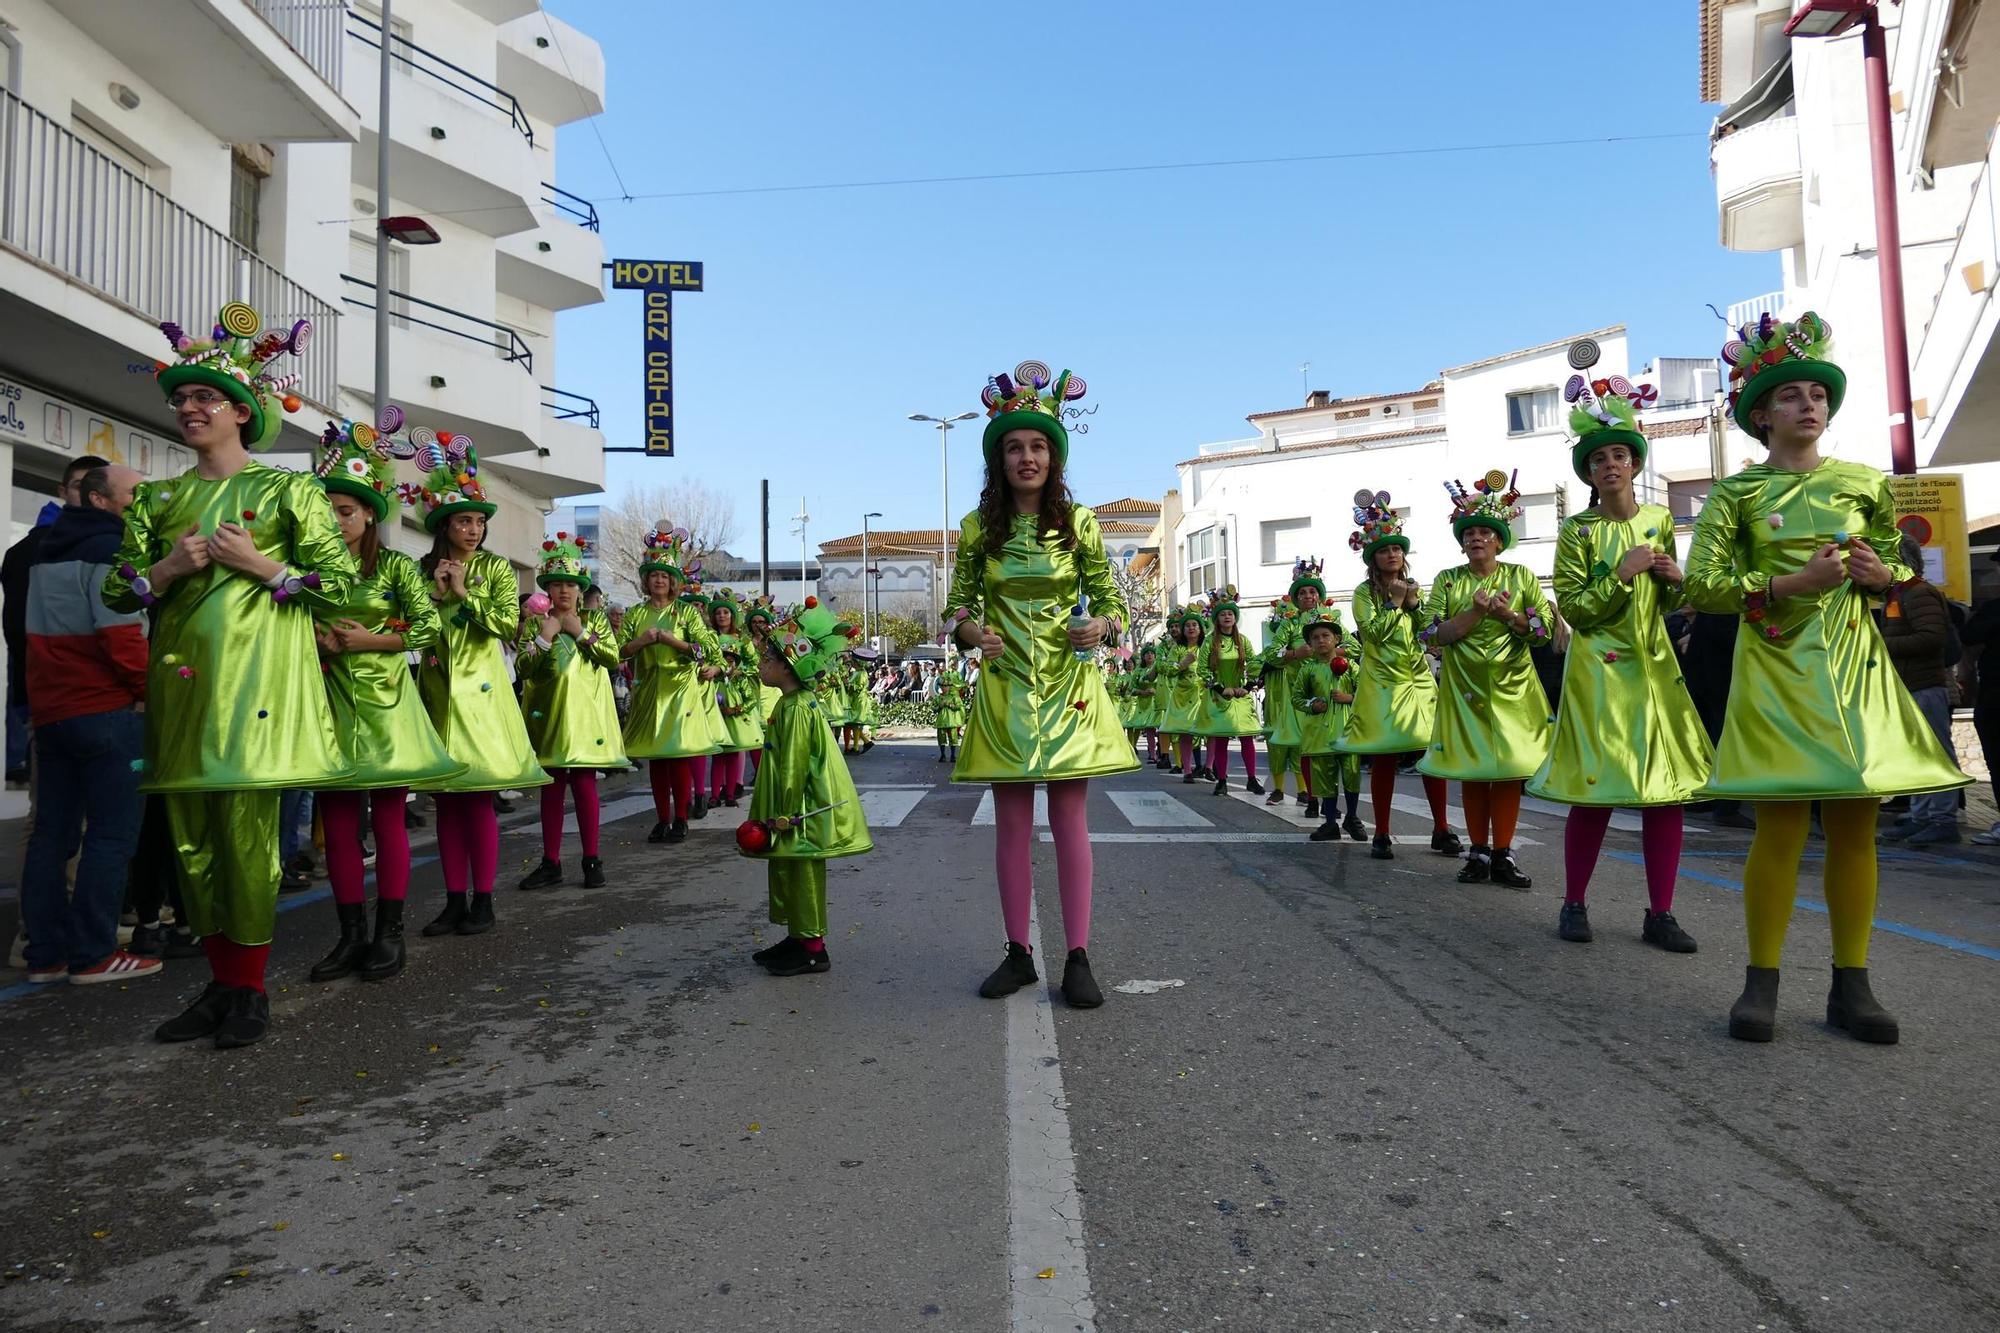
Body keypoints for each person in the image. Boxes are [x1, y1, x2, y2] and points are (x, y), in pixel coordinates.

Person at [1689, 311, 1968, 1043]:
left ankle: (1854, 984)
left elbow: (1899, 568)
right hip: (1778, 670)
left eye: (1817, 392)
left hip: (1853, 670)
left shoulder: (1865, 484)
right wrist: (1789, 583)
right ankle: (1761, 983)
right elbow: (1706, 587)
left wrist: (1886, 575)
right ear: (1759, 412)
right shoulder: (1735, 495)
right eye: (1790, 395)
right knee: (1778, 827)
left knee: (1856, 827)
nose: (1808, 404)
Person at [104, 306, 355, 1048]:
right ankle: (221, 985)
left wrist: (262, 565)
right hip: (182, 691)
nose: (188, 408)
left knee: (247, 841)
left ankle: (249, 990)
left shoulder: (290, 494)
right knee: (191, 844)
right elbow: (119, 589)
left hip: (258, 695)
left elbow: (339, 585)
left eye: (204, 398)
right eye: (180, 399)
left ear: (242, 412)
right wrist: (169, 567)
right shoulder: (156, 497)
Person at [946, 360, 1133, 1008]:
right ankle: (1018, 952)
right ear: (999, 459)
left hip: (1068, 687)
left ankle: (1077, 955)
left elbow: (1114, 600)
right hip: (1005, 685)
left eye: (1038, 446)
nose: (1027, 457)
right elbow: (958, 605)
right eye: (1015, 447)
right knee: (1011, 826)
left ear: (1055, 456)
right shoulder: (977, 530)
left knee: (1071, 819)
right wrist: (971, 633)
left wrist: (1102, 624)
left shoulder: (1079, 524)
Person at [1527, 374, 1708, 951]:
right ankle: (1573, 901)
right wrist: (1620, 572)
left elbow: (1672, 602)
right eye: (1600, 457)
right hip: (1600, 673)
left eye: (1621, 455)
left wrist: (1679, 583)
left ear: (1634, 464)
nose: (1611, 465)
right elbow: (1577, 609)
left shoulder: (1658, 521)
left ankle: (1661, 912)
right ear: (1587, 472)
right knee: (1596, 789)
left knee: (1665, 791)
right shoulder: (1577, 530)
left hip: (1655, 669)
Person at [307, 419, 463, 981]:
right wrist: (316, 642)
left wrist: (368, 640)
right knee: (339, 823)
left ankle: (387, 934)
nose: (335, 520)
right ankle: (350, 937)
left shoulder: (395, 566)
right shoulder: (308, 571)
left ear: (370, 512)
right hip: (327, 701)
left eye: (346, 511)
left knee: (391, 819)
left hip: (388, 703)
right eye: (327, 510)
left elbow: (425, 629)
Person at [19, 463, 156, 985]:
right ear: (101, 501)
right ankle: (94, 954)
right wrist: (154, 696)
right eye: (134, 494)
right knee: (111, 834)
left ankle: (45, 954)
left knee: (52, 836)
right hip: (106, 713)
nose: (141, 503)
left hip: (52, 713)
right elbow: (121, 637)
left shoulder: (44, 549)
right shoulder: (109, 552)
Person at [413, 437, 550, 938]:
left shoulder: (493, 568)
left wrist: (464, 594)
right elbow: (412, 626)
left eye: (478, 521)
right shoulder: (421, 570)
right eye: (463, 521)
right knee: (447, 802)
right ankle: (453, 900)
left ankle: (484, 899)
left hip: (483, 692)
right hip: (435, 690)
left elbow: (505, 625)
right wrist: (434, 593)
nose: (473, 530)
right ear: (443, 525)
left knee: (478, 800)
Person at [1418, 470, 1553, 887]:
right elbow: (1430, 632)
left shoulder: (1522, 576)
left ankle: (1503, 854)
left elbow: (1543, 630)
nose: (1476, 538)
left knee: (1510, 771)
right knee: (1474, 770)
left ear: (1499, 539)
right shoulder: (1447, 580)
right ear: (1462, 542)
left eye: (1484, 532)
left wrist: (1508, 615)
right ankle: (1477, 852)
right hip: (1465, 688)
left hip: (1515, 685)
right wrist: (1476, 612)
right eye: (1470, 533)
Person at [741, 598, 874, 975]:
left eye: (767, 659)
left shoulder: (797, 708)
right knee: (787, 868)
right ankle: (798, 937)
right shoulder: (791, 701)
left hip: (798, 809)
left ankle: (813, 948)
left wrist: (784, 813)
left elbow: (795, 766)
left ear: (786, 667)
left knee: (802, 871)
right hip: (791, 806)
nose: (760, 664)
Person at [1340, 494, 1460, 860]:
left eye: (1397, 549)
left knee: (1430, 752)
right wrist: (1393, 604)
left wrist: (1416, 606)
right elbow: (1370, 634)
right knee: (1385, 757)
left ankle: (1441, 827)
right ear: (1372, 557)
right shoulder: (1364, 593)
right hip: (1382, 684)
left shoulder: (1414, 587)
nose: (1392, 555)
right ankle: (1383, 833)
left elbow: (1427, 632)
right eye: (1384, 550)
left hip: (1418, 680)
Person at [516, 532, 625, 890]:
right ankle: (550, 861)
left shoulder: (594, 622)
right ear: (547, 588)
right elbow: (523, 667)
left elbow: (612, 657)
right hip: (547, 716)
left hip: (584, 719)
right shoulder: (535, 623)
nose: (564, 591)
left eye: (571, 585)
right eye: (557, 584)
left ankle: (591, 858)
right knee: (551, 789)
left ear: (580, 590)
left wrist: (582, 634)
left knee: (583, 787)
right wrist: (544, 638)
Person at [4, 454, 111, 785]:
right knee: (48, 817)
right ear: (63, 491)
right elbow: (19, 630)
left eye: (98, 486)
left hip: (102, 701)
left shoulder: (117, 546)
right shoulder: (32, 550)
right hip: (53, 703)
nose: (91, 495)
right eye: (82, 486)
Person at [620, 525, 721, 844]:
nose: (659, 581)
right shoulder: (635, 614)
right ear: (646, 581)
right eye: (653, 576)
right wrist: (641, 642)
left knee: (677, 756)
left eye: (664, 575)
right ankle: (662, 818)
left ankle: (681, 818)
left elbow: (709, 649)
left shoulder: (687, 613)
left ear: (673, 581)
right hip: (648, 689)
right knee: (657, 759)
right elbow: (617, 651)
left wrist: (674, 642)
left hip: (680, 692)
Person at [1880, 534, 1960, 846]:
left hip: (1925, 686)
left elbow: (1931, 638)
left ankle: (1942, 819)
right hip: (1911, 685)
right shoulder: (1898, 595)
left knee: (1937, 754)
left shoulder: (1918, 593)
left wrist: (1879, 646)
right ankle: (1921, 816)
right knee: (1918, 755)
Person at [1293, 611, 1364, 843]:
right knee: (1324, 778)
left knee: (1352, 775)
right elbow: (1297, 699)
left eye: (1326, 635)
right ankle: (1330, 822)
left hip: (1348, 730)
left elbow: (1366, 693)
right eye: (1315, 637)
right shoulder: (1307, 670)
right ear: (1310, 643)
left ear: (1336, 639)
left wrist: (1349, 697)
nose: (1321, 640)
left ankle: (1352, 816)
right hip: (1320, 732)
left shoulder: (1351, 666)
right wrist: (1313, 704)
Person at [1196, 587, 1265, 796]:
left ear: (1235, 617)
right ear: (1216, 619)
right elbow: (1202, 669)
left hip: (1241, 695)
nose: (1227, 617)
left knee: (1247, 737)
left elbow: (1254, 664)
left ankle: (1252, 779)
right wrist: (1219, 687)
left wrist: (1246, 687)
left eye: (1230, 613)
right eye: (1223, 614)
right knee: (1222, 738)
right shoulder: (1210, 641)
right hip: (1219, 697)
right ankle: (1222, 780)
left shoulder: (1242, 640)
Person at [703, 590, 764, 808]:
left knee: (735, 747)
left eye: (726, 612)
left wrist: (739, 672)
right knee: (718, 750)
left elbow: (754, 663)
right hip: (712, 694)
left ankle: (730, 792)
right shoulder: (708, 637)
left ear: (732, 616)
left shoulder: (743, 640)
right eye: (717, 612)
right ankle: (713, 793)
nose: (721, 616)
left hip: (737, 694)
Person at [934, 657, 969, 763]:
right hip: (942, 721)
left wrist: (951, 705)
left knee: (953, 738)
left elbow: (958, 706)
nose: (945, 688)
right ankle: (943, 755)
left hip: (952, 721)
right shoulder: (939, 697)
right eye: (943, 686)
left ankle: (953, 755)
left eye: (947, 686)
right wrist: (940, 706)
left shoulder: (954, 697)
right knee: (941, 738)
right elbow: (934, 708)